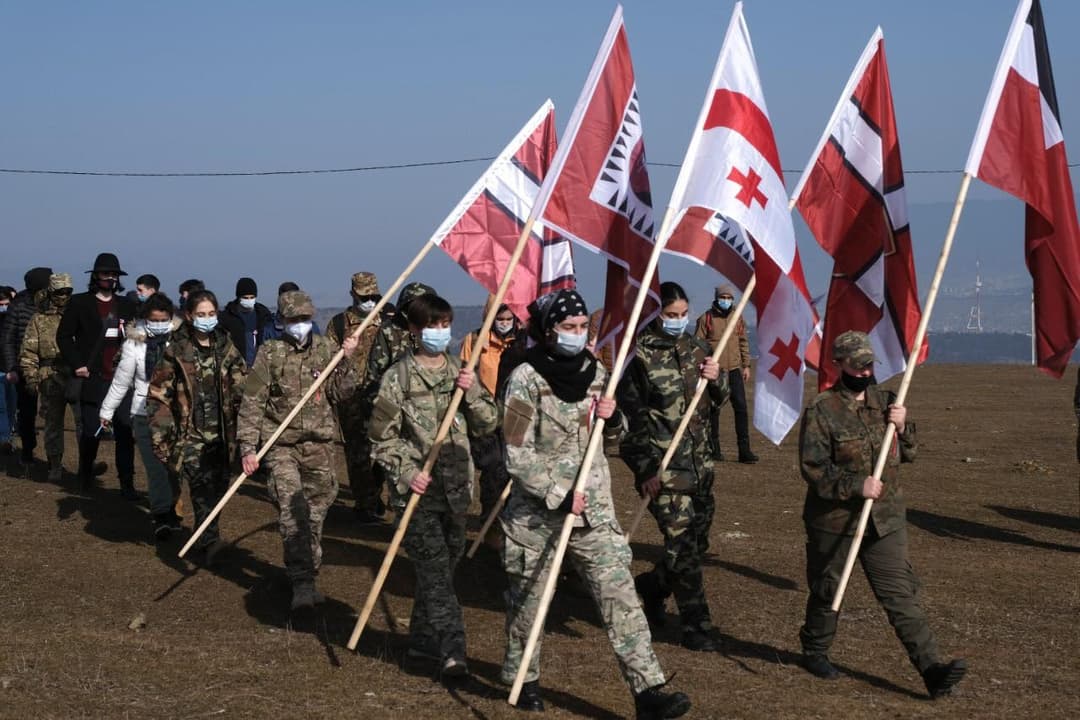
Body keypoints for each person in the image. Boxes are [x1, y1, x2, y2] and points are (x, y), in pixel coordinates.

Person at [499, 289, 691, 718]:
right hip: (537, 517)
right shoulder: (525, 379)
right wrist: (558, 494)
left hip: (594, 514)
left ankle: (649, 691)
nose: (578, 333)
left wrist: (613, 417)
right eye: (568, 326)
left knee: (620, 597)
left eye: (583, 326)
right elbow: (515, 454)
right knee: (529, 602)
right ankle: (523, 678)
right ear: (549, 331)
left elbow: (613, 437)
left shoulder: (596, 373)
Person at [797, 330, 967, 698]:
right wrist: (855, 486)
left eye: (868, 365)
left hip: (885, 520)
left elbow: (910, 453)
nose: (864, 372)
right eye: (857, 366)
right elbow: (813, 468)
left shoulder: (888, 402)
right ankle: (814, 650)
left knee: (900, 594)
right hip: (836, 521)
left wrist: (903, 427)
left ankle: (932, 670)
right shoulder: (822, 410)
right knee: (828, 591)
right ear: (838, 364)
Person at [369, 293, 497, 677]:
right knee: (437, 573)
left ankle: (421, 643)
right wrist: (408, 472)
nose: (440, 332)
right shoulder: (398, 378)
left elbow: (489, 424)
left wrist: (472, 392)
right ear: (414, 329)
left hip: (456, 492)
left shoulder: (461, 371)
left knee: (441, 571)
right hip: (417, 496)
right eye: (431, 325)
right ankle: (453, 649)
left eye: (445, 325)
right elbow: (381, 438)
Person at [618, 282, 728, 652]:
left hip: (700, 467)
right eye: (670, 315)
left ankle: (651, 587)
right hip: (664, 470)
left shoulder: (698, 349)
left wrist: (716, 379)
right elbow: (631, 422)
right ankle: (696, 625)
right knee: (683, 548)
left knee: (697, 543)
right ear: (656, 314)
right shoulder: (638, 356)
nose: (678, 320)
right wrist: (645, 470)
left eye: (683, 314)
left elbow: (718, 401)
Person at [237, 291, 359, 610]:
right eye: (294, 319)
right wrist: (248, 447)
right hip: (281, 446)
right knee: (294, 514)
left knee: (315, 515)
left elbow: (341, 394)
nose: (300, 324)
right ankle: (302, 582)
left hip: (319, 445)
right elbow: (252, 402)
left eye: (305, 318)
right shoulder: (270, 353)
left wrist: (347, 360)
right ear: (282, 320)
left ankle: (308, 571)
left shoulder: (326, 349)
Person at [148, 290, 246, 562]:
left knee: (219, 487)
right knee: (201, 487)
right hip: (190, 434)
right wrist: (161, 434)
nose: (207, 318)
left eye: (211, 313)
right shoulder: (176, 351)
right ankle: (209, 541)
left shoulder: (226, 347)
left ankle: (206, 534)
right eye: (201, 314)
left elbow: (242, 385)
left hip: (223, 433)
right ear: (189, 316)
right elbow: (158, 396)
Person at [102, 292, 183, 539]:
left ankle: (174, 507)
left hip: (175, 414)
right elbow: (121, 381)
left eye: (163, 320)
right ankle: (161, 515)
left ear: (171, 318)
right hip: (143, 412)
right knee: (155, 467)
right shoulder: (134, 344)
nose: (158, 324)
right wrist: (107, 410)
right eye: (153, 320)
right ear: (145, 319)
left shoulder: (181, 342)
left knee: (174, 466)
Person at [56, 253, 137, 494]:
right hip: (92, 377)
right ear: (95, 276)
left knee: (125, 431)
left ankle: (127, 482)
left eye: (114, 274)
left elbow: (137, 337)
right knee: (92, 431)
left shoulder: (128, 305)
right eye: (105, 274)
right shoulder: (80, 303)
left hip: (121, 379)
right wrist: (77, 364)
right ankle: (85, 474)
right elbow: (63, 336)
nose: (110, 278)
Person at [360, 281, 437, 521]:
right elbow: (375, 374)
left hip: (424, 411)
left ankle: (412, 513)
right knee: (386, 461)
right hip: (393, 408)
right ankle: (373, 502)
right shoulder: (389, 332)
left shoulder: (433, 331)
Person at [326, 272, 385, 523]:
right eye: (364, 297)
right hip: (351, 398)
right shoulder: (339, 324)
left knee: (385, 450)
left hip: (382, 396)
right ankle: (365, 504)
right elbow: (328, 359)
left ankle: (374, 491)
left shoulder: (386, 321)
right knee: (358, 453)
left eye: (373, 296)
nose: (369, 301)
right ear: (353, 295)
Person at [459, 297, 519, 534]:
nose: (504, 323)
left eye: (508, 318)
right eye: (499, 318)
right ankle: (490, 524)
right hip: (484, 415)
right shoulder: (475, 340)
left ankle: (512, 522)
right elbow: (466, 371)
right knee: (493, 468)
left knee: (514, 470)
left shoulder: (522, 342)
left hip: (516, 414)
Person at [18, 274, 79, 481]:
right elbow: (28, 352)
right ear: (51, 292)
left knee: (83, 421)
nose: (64, 296)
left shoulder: (78, 314)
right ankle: (55, 464)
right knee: (53, 423)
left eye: (68, 292)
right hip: (49, 375)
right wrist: (31, 378)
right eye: (60, 292)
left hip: (75, 374)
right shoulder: (39, 319)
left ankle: (87, 463)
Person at [694, 284, 757, 464]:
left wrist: (746, 365)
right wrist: (703, 367)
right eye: (723, 297)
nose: (726, 300)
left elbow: (743, 341)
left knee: (741, 408)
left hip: (735, 369)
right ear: (717, 298)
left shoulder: (738, 317)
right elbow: (697, 345)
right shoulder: (706, 318)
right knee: (714, 410)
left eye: (729, 297)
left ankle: (744, 451)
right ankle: (714, 449)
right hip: (716, 371)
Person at [0, 266, 53, 464]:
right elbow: (7, 339)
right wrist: (12, 367)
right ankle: (28, 449)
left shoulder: (54, 305)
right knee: (27, 411)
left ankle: (53, 455)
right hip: (24, 366)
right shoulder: (19, 306)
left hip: (51, 365)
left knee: (52, 412)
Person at [221, 277, 272, 367]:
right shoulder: (227, 316)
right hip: (236, 366)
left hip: (259, 365)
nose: (249, 300)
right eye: (245, 298)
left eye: (252, 297)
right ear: (238, 297)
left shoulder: (263, 314)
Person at [0, 285, 17, 455]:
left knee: (12, 405)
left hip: (12, 369)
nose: (4, 307)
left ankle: (8, 437)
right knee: (2, 407)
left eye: (7, 304)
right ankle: (3, 439)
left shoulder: (14, 322)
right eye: (1, 304)